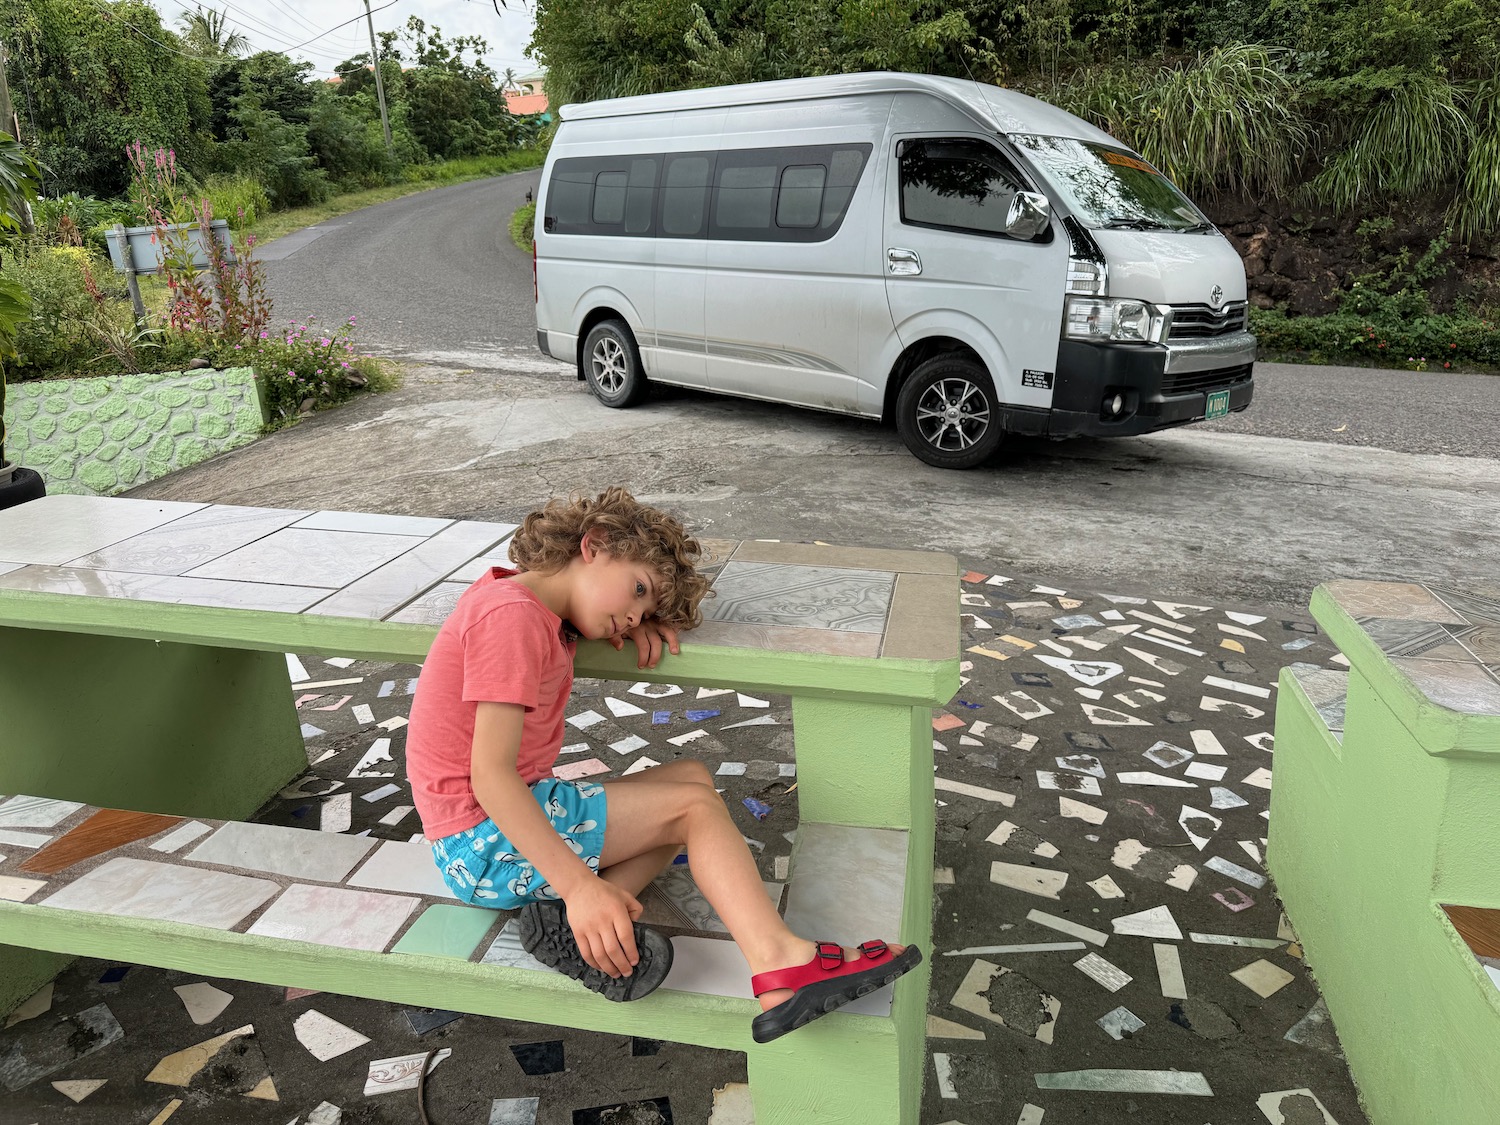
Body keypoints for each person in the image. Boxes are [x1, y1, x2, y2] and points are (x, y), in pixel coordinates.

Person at [407, 487, 920, 1043]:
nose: (630, 616)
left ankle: (574, 922)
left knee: (692, 778)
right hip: (483, 838)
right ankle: (781, 966)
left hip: (481, 839)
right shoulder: (512, 620)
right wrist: (578, 885)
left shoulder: (529, 608)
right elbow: (491, 775)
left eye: (642, 612)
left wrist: (626, 620)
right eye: (638, 590)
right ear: (594, 544)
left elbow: (581, 616)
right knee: (694, 809)